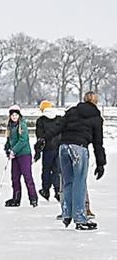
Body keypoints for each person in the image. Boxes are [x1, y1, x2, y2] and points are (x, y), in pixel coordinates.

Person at [43, 91, 106, 230]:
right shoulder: (96, 117)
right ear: (95, 101)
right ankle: (80, 218)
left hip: (64, 148)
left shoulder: (72, 111)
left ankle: (66, 214)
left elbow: (58, 126)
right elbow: (98, 143)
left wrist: (44, 138)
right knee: (79, 183)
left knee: (68, 182)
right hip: (79, 149)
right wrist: (101, 163)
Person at [4, 105, 38, 208]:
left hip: (24, 155)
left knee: (27, 177)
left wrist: (14, 150)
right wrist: (7, 149)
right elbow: (9, 140)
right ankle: (16, 198)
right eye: (12, 115)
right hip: (15, 156)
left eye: (16, 115)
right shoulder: (10, 126)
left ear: (19, 115)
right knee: (15, 177)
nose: (14, 117)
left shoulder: (22, 125)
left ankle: (33, 198)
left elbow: (23, 140)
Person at [34, 100, 63, 203]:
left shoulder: (41, 121)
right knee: (57, 171)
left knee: (46, 170)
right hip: (59, 148)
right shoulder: (59, 118)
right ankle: (58, 191)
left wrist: (37, 151)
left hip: (48, 149)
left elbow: (40, 136)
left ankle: (45, 190)